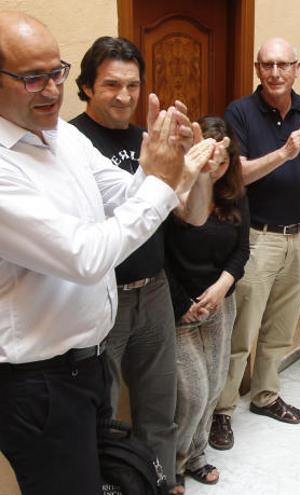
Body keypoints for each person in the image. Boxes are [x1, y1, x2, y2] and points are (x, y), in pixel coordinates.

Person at [0, 12, 215, 495]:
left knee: (119, 470)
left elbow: (125, 193)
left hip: (87, 363)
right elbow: (86, 255)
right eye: (33, 77)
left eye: (56, 71)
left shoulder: (63, 138)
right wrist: (163, 179)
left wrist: (174, 162)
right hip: (38, 382)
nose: (51, 89)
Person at [69, 36, 183, 483]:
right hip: (102, 297)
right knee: (102, 412)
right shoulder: (72, 143)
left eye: (133, 85)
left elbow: (176, 212)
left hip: (153, 290)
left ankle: (164, 482)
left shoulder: (146, 137)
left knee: (160, 405)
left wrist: (192, 166)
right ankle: (114, 486)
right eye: (111, 84)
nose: (124, 96)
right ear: (86, 87)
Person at [211, 37, 300, 449]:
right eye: (268, 65)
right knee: (239, 335)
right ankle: (222, 411)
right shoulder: (240, 112)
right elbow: (237, 175)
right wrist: (286, 152)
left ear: (297, 68)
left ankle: (264, 395)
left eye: (284, 64)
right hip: (257, 239)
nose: (276, 72)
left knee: (279, 330)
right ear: (257, 69)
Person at [164, 116, 246, 491]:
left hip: (219, 305)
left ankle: (197, 456)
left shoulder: (235, 196)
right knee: (193, 394)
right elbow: (161, 257)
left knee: (214, 387)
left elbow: (241, 251)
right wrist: (185, 303)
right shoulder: (172, 195)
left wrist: (221, 288)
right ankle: (175, 464)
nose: (215, 167)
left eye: (224, 160)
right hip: (180, 309)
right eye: (208, 158)